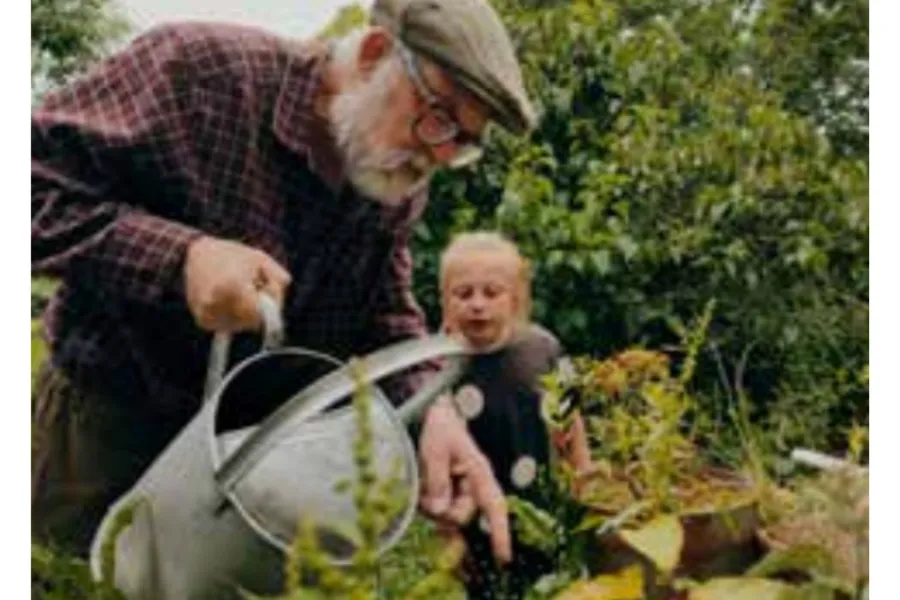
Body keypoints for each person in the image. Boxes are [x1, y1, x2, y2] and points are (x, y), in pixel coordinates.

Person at [31, 0, 537, 563]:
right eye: (440, 115)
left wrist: (431, 414)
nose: (441, 154)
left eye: (464, 142)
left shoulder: (396, 173)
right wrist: (180, 258)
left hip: (252, 461)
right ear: (373, 56)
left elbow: (383, 316)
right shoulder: (199, 73)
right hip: (104, 434)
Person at [435, 232, 592, 599]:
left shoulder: (543, 348)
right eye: (464, 294)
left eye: (492, 293)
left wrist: (583, 472)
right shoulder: (437, 367)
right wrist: (448, 533)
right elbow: (436, 466)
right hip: (474, 518)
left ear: (517, 300)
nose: (478, 305)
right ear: (445, 301)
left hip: (541, 505)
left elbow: (571, 417)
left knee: (550, 583)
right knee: (487, 589)